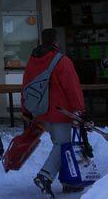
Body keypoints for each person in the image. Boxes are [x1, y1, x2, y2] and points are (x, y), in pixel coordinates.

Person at [25, 28, 86, 194]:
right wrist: (79, 109)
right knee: (63, 145)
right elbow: (72, 88)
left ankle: (69, 182)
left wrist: (27, 109)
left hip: (41, 112)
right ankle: (45, 176)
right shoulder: (62, 61)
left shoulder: (32, 61)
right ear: (56, 42)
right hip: (61, 112)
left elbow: (26, 86)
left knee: (59, 145)